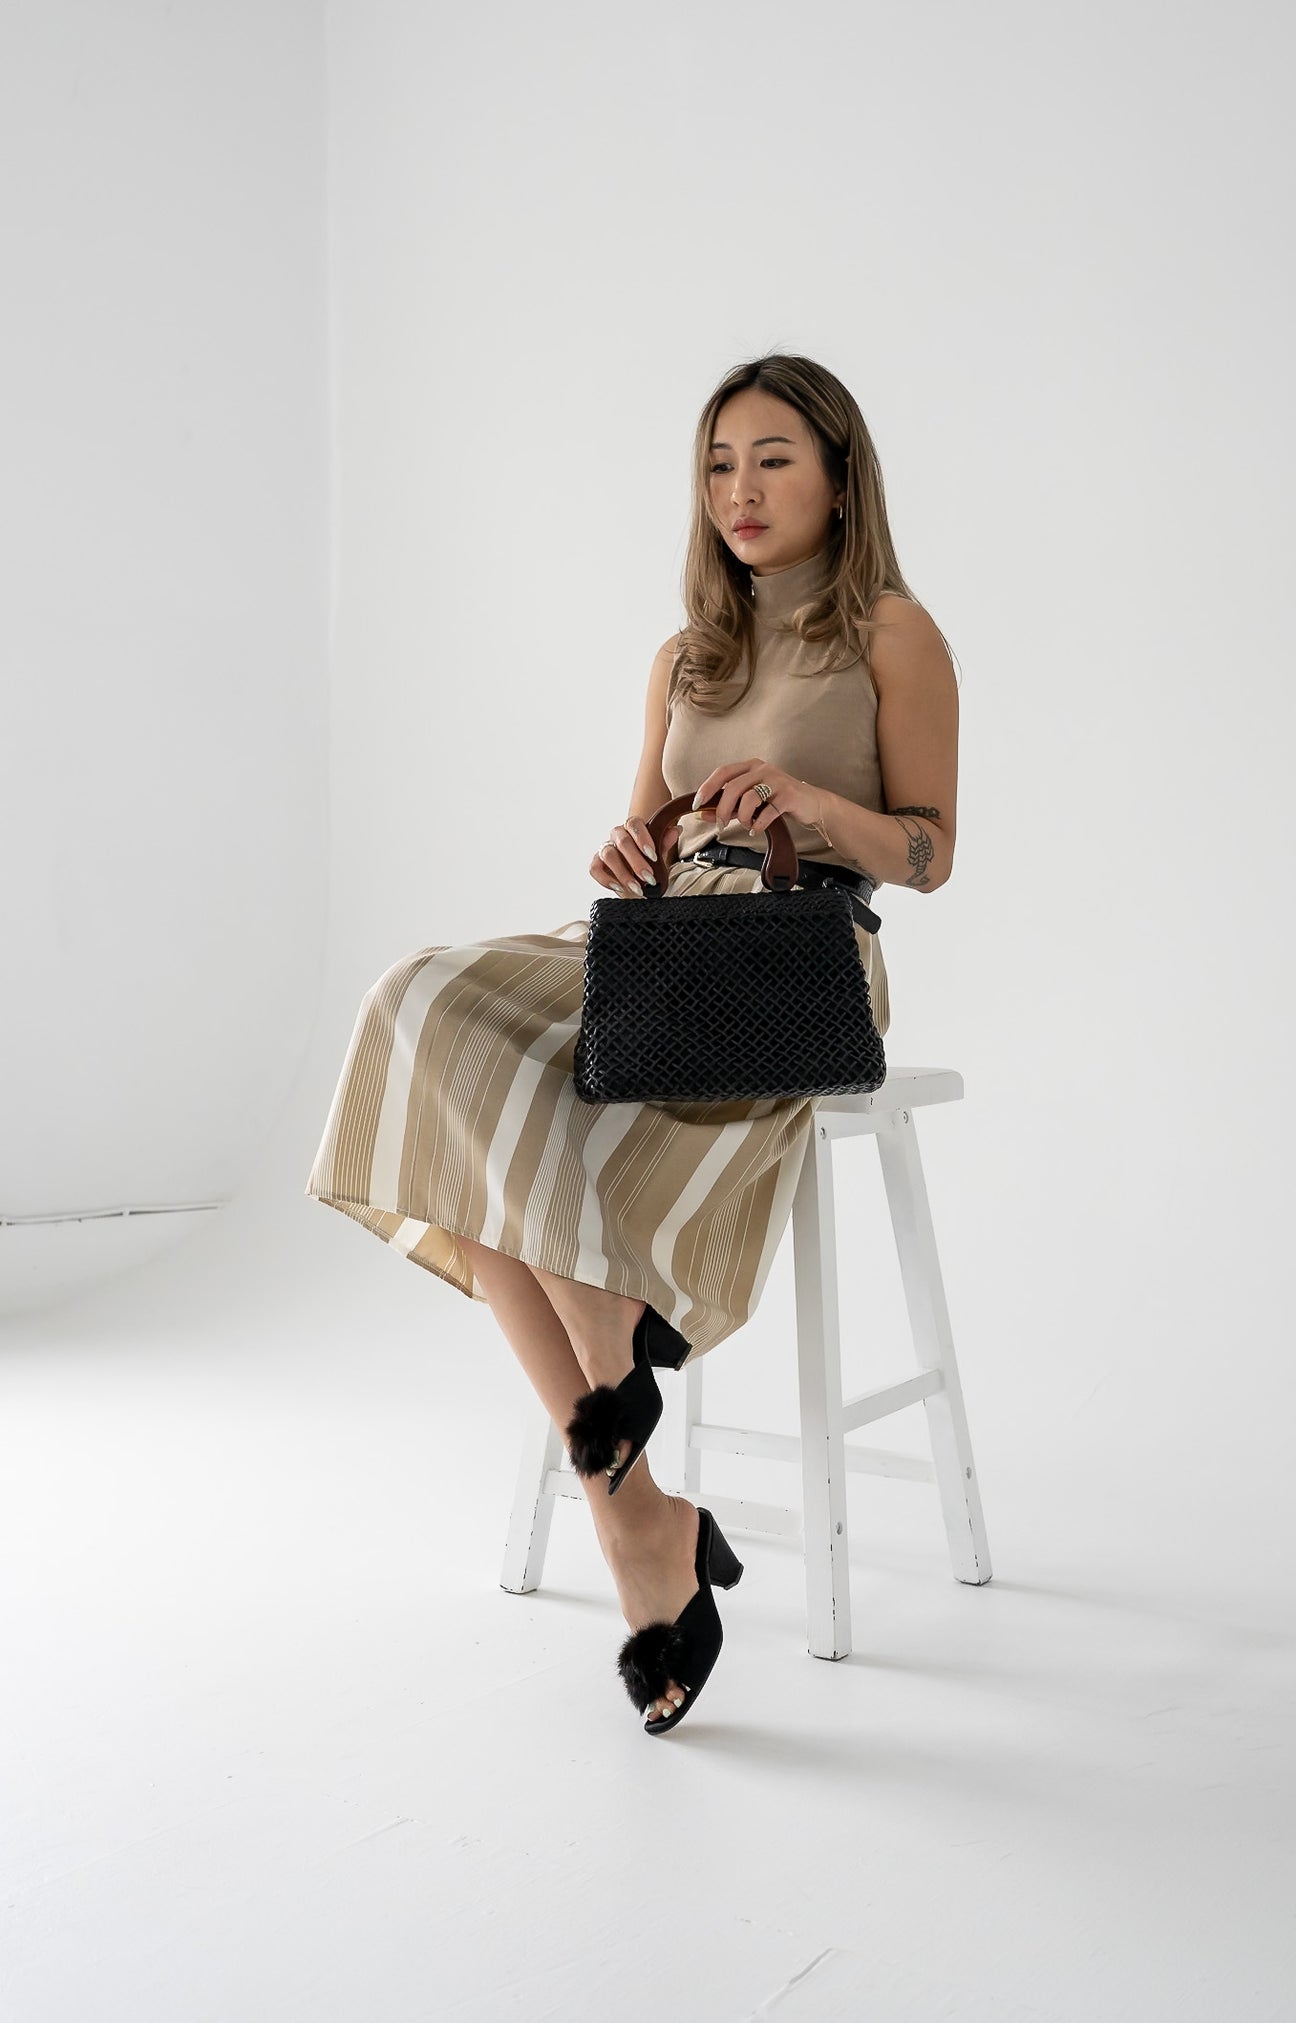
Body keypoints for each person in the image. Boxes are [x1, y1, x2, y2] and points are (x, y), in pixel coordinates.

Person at [306, 352, 959, 1731]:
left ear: (841, 477)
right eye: (719, 463)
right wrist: (636, 840)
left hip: (794, 953)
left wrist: (800, 799)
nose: (741, 488)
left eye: (773, 458)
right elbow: (646, 833)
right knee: (428, 1014)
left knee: (492, 1105)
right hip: (659, 941)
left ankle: (624, 1512)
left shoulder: (892, 634)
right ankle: (636, 1497)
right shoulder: (684, 652)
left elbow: (929, 853)